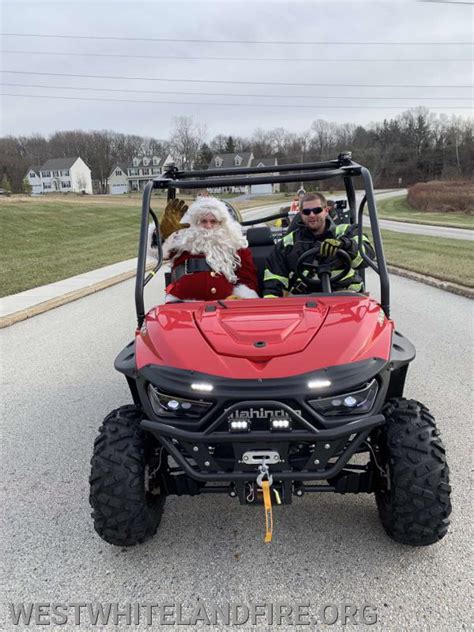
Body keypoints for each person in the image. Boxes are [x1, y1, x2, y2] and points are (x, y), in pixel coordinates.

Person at [262, 192, 374, 297]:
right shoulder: (287, 244)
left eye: (317, 210)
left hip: (346, 298)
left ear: (326, 211)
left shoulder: (346, 232)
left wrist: (347, 245)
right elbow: (273, 283)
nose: (311, 215)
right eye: (306, 212)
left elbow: (367, 256)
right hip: (304, 302)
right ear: (301, 213)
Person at [149, 196, 259, 302]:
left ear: (222, 224)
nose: (208, 226)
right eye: (204, 221)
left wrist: (239, 297)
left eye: (213, 221)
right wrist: (162, 234)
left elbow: (248, 280)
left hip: (224, 306)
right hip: (181, 304)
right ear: (195, 223)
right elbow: (159, 253)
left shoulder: (235, 246)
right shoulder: (183, 240)